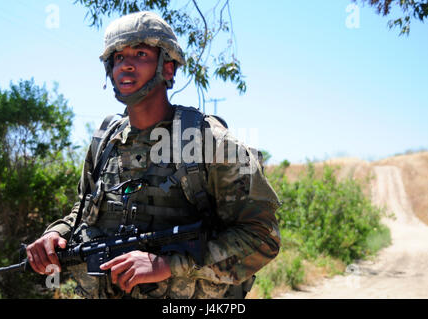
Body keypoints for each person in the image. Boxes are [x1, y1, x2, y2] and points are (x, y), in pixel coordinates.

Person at [26, 11, 281, 299]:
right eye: (119, 57)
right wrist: (55, 235)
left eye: (141, 54)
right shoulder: (105, 141)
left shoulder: (209, 143)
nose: (127, 65)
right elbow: (83, 212)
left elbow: (262, 238)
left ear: (167, 68)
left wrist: (169, 265)